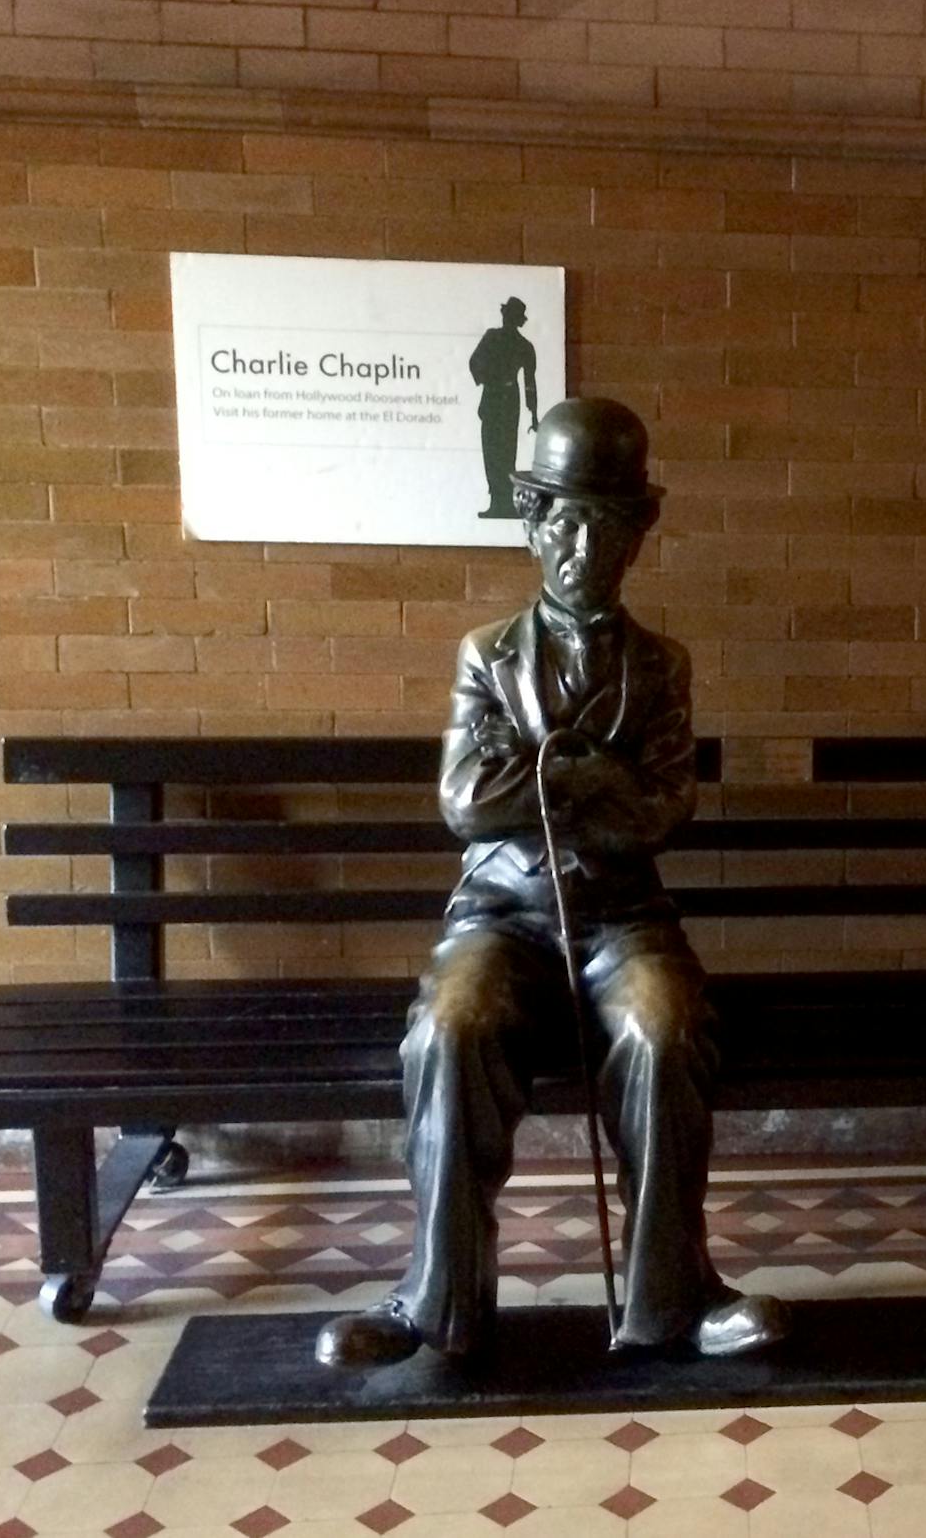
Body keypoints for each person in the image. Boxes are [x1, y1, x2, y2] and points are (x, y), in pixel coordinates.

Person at [316, 397, 787, 1368]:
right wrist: (573, 779)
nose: (583, 544)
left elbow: (665, 812)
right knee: (451, 1025)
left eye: (606, 523)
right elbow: (464, 801)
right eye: (564, 519)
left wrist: (571, 774)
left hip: (623, 920)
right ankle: (436, 1302)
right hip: (501, 914)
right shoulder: (487, 654)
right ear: (532, 525)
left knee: (666, 1028)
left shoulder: (661, 666)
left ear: (637, 535)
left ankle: (673, 1295)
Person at [468, 297, 539, 520]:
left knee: (507, 450)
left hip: (508, 398)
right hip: (494, 396)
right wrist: (488, 379)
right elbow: (474, 362)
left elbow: (530, 382)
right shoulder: (491, 337)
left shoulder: (524, 346)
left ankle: (506, 502)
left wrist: (534, 413)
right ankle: (495, 501)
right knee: (491, 449)